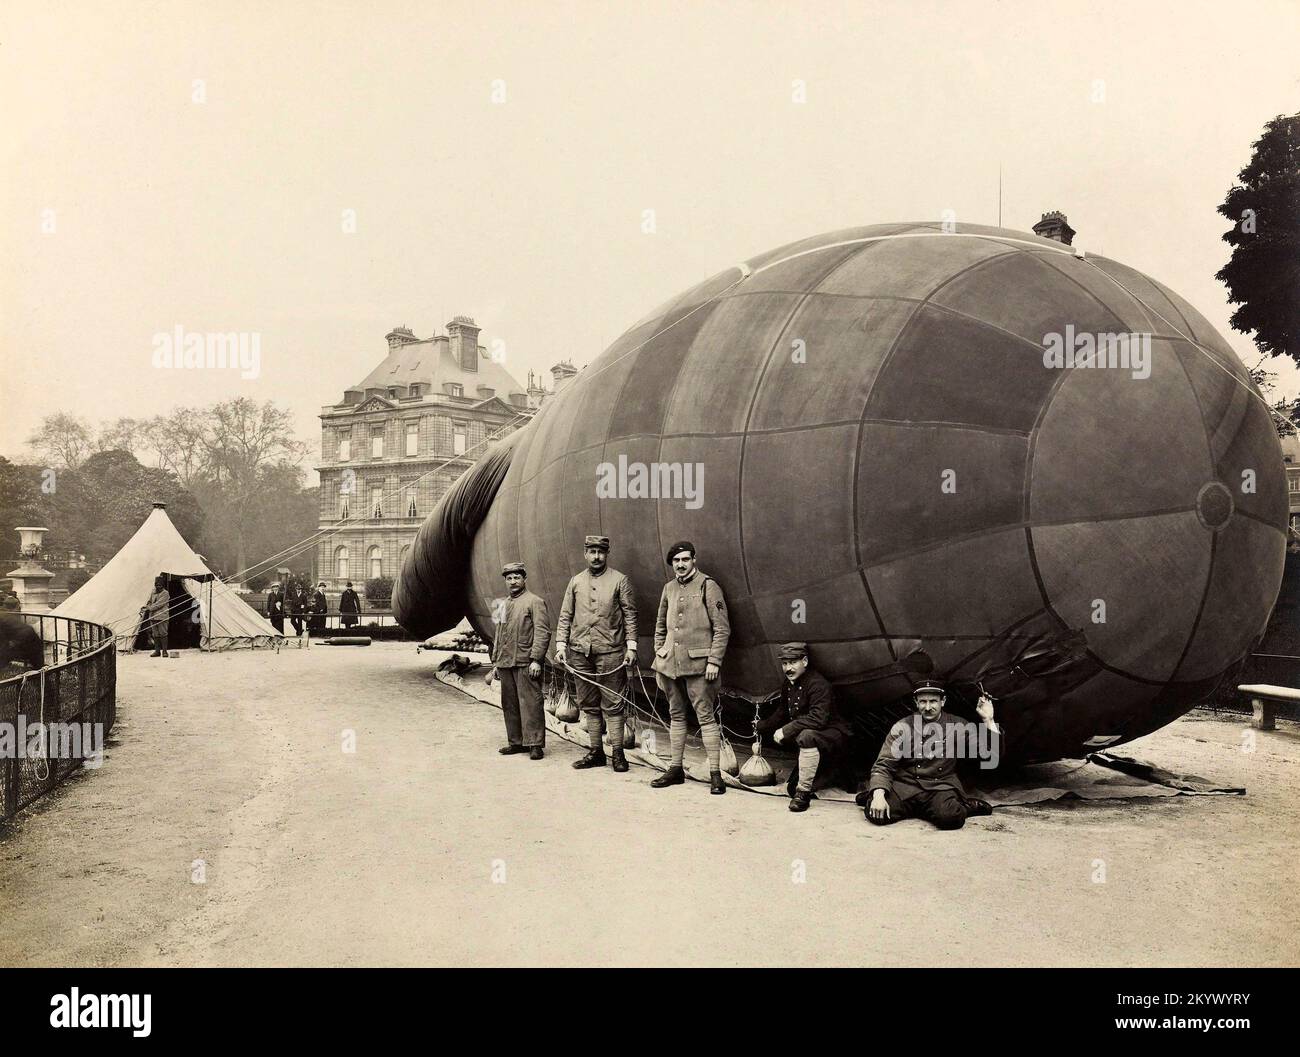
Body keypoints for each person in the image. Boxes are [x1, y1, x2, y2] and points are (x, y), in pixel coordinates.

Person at [858, 678, 998, 830]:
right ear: (916, 702)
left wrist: (988, 720)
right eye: (923, 702)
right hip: (906, 784)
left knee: (951, 818)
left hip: (940, 785)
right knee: (876, 814)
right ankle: (877, 794)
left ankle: (963, 806)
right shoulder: (903, 726)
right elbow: (884, 764)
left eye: (933, 701)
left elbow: (990, 754)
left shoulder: (959, 725)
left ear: (943, 701)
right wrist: (879, 796)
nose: (928, 707)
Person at [648, 541, 731, 795]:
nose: (681, 565)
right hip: (670, 664)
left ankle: (716, 774)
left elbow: (722, 628)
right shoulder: (669, 588)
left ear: (694, 559)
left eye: (685, 559)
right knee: (676, 715)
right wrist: (660, 652)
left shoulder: (708, 585)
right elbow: (660, 625)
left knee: (705, 716)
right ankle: (675, 769)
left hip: (699, 665)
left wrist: (714, 661)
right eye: (676, 561)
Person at [554, 534, 637, 774]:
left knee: (613, 703)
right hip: (580, 651)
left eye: (601, 551)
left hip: (610, 651)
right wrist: (561, 645)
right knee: (588, 703)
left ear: (607, 554)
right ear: (585, 553)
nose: (597, 556)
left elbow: (630, 615)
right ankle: (596, 752)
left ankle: (619, 754)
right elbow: (565, 615)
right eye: (592, 551)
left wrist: (631, 646)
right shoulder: (576, 582)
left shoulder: (620, 580)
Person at [756, 642, 853, 812]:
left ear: (805, 661)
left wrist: (786, 730)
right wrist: (761, 726)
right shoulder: (788, 684)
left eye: (793, 662)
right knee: (790, 787)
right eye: (785, 663)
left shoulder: (818, 684)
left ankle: (803, 795)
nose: (788, 668)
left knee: (806, 736)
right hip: (814, 741)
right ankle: (817, 780)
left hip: (834, 737)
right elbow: (782, 712)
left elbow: (818, 719)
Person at [485, 562, 551, 760]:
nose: (513, 582)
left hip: (525, 661)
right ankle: (516, 742)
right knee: (510, 703)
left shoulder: (535, 602)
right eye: (509, 578)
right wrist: (495, 662)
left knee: (531, 703)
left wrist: (536, 660)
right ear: (505, 581)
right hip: (505, 662)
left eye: (516, 578)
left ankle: (535, 744)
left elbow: (542, 632)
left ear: (524, 579)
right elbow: (498, 634)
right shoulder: (502, 604)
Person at [0, 595, 44, 675]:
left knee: (38, 668)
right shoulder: (5, 614)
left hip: (28, 639)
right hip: (26, 637)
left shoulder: (4, 615)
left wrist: (12, 644)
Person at [146, 575, 170, 656]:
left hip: (162, 616)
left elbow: (159, 604)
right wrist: (147, 606)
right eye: (156, 585)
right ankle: (157, 651)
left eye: (160, 585)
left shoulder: (165, 593)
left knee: (163, 633)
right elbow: (149, 601)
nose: (158, 586)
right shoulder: (153, 591)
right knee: (155, 634)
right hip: (153, 616)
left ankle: (164, 651)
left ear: (162, 585)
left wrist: (149, 608)